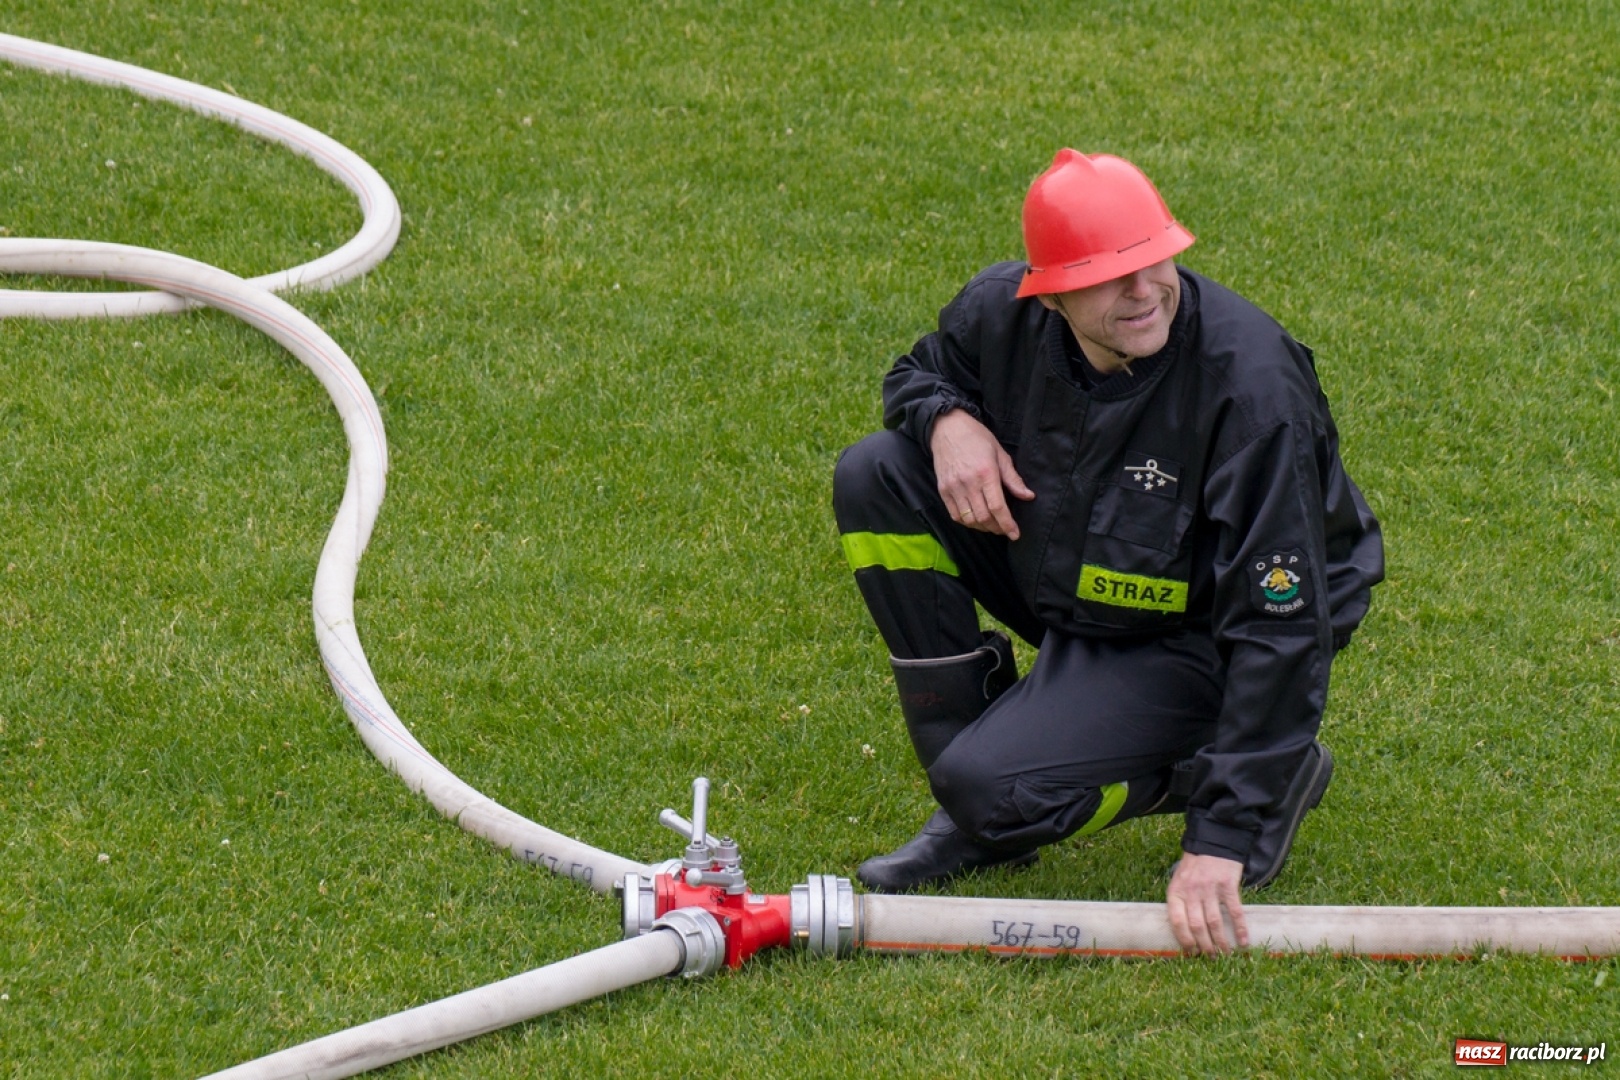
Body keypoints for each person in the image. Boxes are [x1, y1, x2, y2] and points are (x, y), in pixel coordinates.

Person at [832, 149, 1384, 955]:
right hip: (1079, 569)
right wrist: (948, 420)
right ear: (1049, 292)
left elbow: (1281, 625)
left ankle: (1239, 777)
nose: (1143, 291)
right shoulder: (1001, 312)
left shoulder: (1254, 391)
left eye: (1156, 261)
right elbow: (920, 373)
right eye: (1109, 274)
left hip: (1206, 633)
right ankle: (982, 813)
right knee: (877, 473)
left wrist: (1222, 835)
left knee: (990, 784)